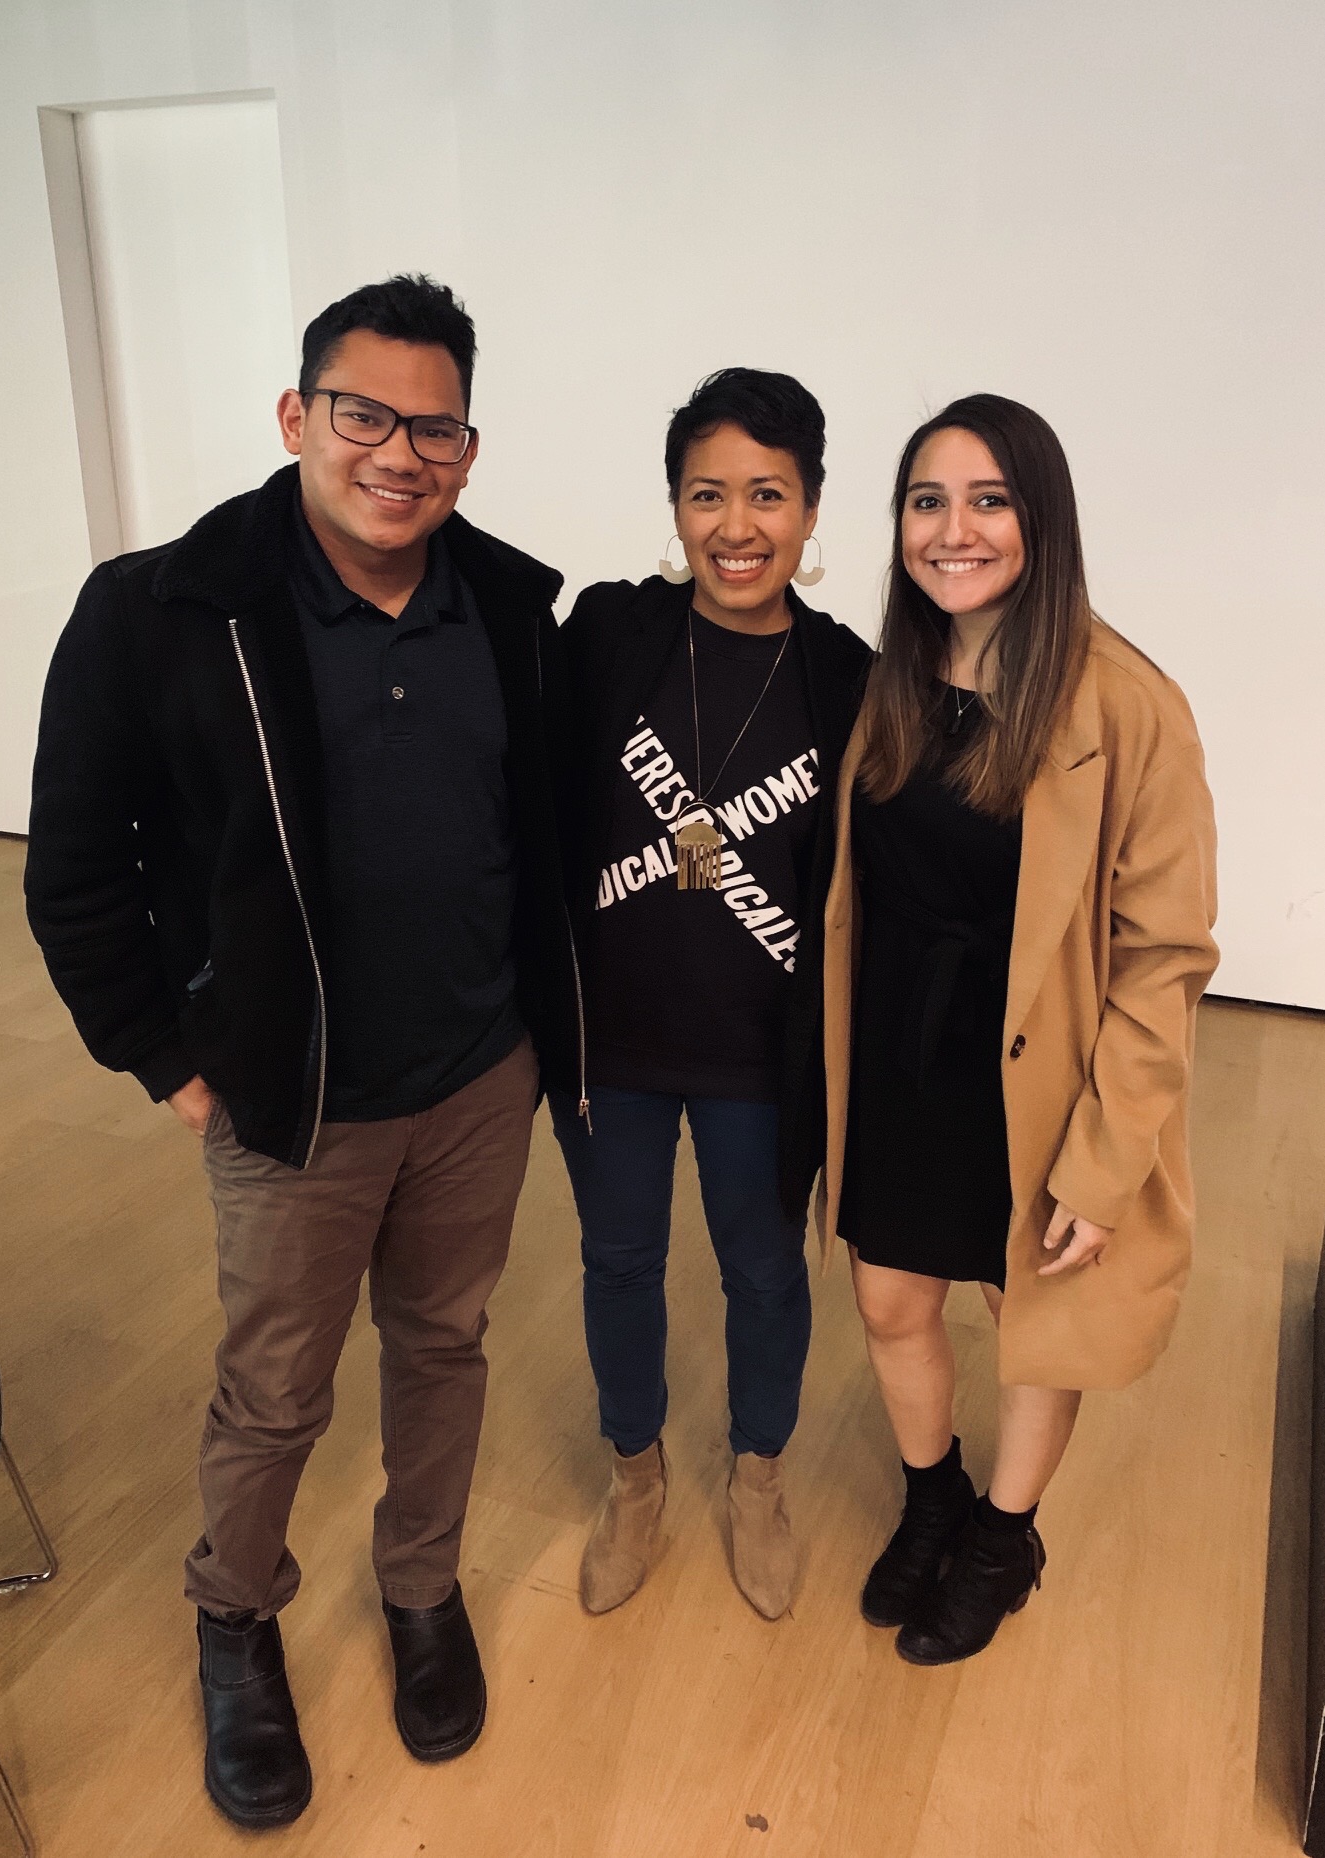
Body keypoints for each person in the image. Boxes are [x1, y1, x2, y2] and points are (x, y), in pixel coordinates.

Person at [24, 275, 579, 1826]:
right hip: (296, 1098)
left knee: (443, 1345)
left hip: (476, 1075)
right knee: (275, 1390)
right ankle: (235, 1614)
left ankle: (419, 1588)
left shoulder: (513, 610)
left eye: (436, 425)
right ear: (298, 414)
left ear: (469, 446)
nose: (399, 451)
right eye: (364, 413)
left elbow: (536, 839)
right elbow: (75, 870)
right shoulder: (159, 610)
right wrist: (171, 1055)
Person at [820, 393, 1217, 1663]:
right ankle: (931, 1496)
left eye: (988, 499)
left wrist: (1105, 1163)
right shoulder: (882, 681)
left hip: (1036, 1074)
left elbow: (1165, 958)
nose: (954, 530)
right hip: (899, 1053)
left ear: (1040, 520)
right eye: (926, 501)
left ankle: (1002, 1536)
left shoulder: (1128, 705)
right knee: (890, 1297)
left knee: (1029, 1317)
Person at [553, 369, 871, 1620]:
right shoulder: (611, 636)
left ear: (808, 507)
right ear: (674, 507)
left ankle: (757, 1478)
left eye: (766, 495)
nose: (735, 525)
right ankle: (634, 1479)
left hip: (759, 1053)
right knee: (619, 1260)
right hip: (614, 1044)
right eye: (707, 494)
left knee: (764, 1273)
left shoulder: (845, 677)